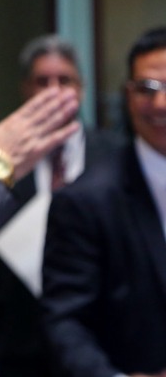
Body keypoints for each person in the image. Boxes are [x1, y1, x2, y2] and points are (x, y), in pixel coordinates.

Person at [0, 34, 124, 376]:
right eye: (42, 81)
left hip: (100, 338)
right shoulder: (3, 158)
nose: (53, 91)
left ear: (81, 88)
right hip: (16, 340)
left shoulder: (115, 155)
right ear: (25, 89)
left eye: (64, 80)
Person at [41, 26, 166, 377]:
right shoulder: (85, 200)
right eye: (147, 89)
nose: (160, 103)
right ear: (128, 95)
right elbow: (65, 322)